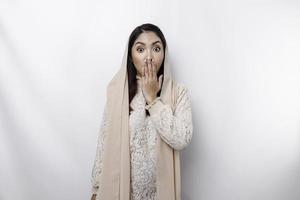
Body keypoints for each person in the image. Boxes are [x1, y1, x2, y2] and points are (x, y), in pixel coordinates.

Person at [90, 23, 193, 200]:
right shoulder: (117, 91)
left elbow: (182, 138)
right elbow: (104, 144)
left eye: (156, 48)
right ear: (130, 56)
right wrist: (95, 190)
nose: (149, 57)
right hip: (121, 191)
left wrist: (153, 100)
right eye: (140, 49)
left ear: (164, 53)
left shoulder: (178, 92)